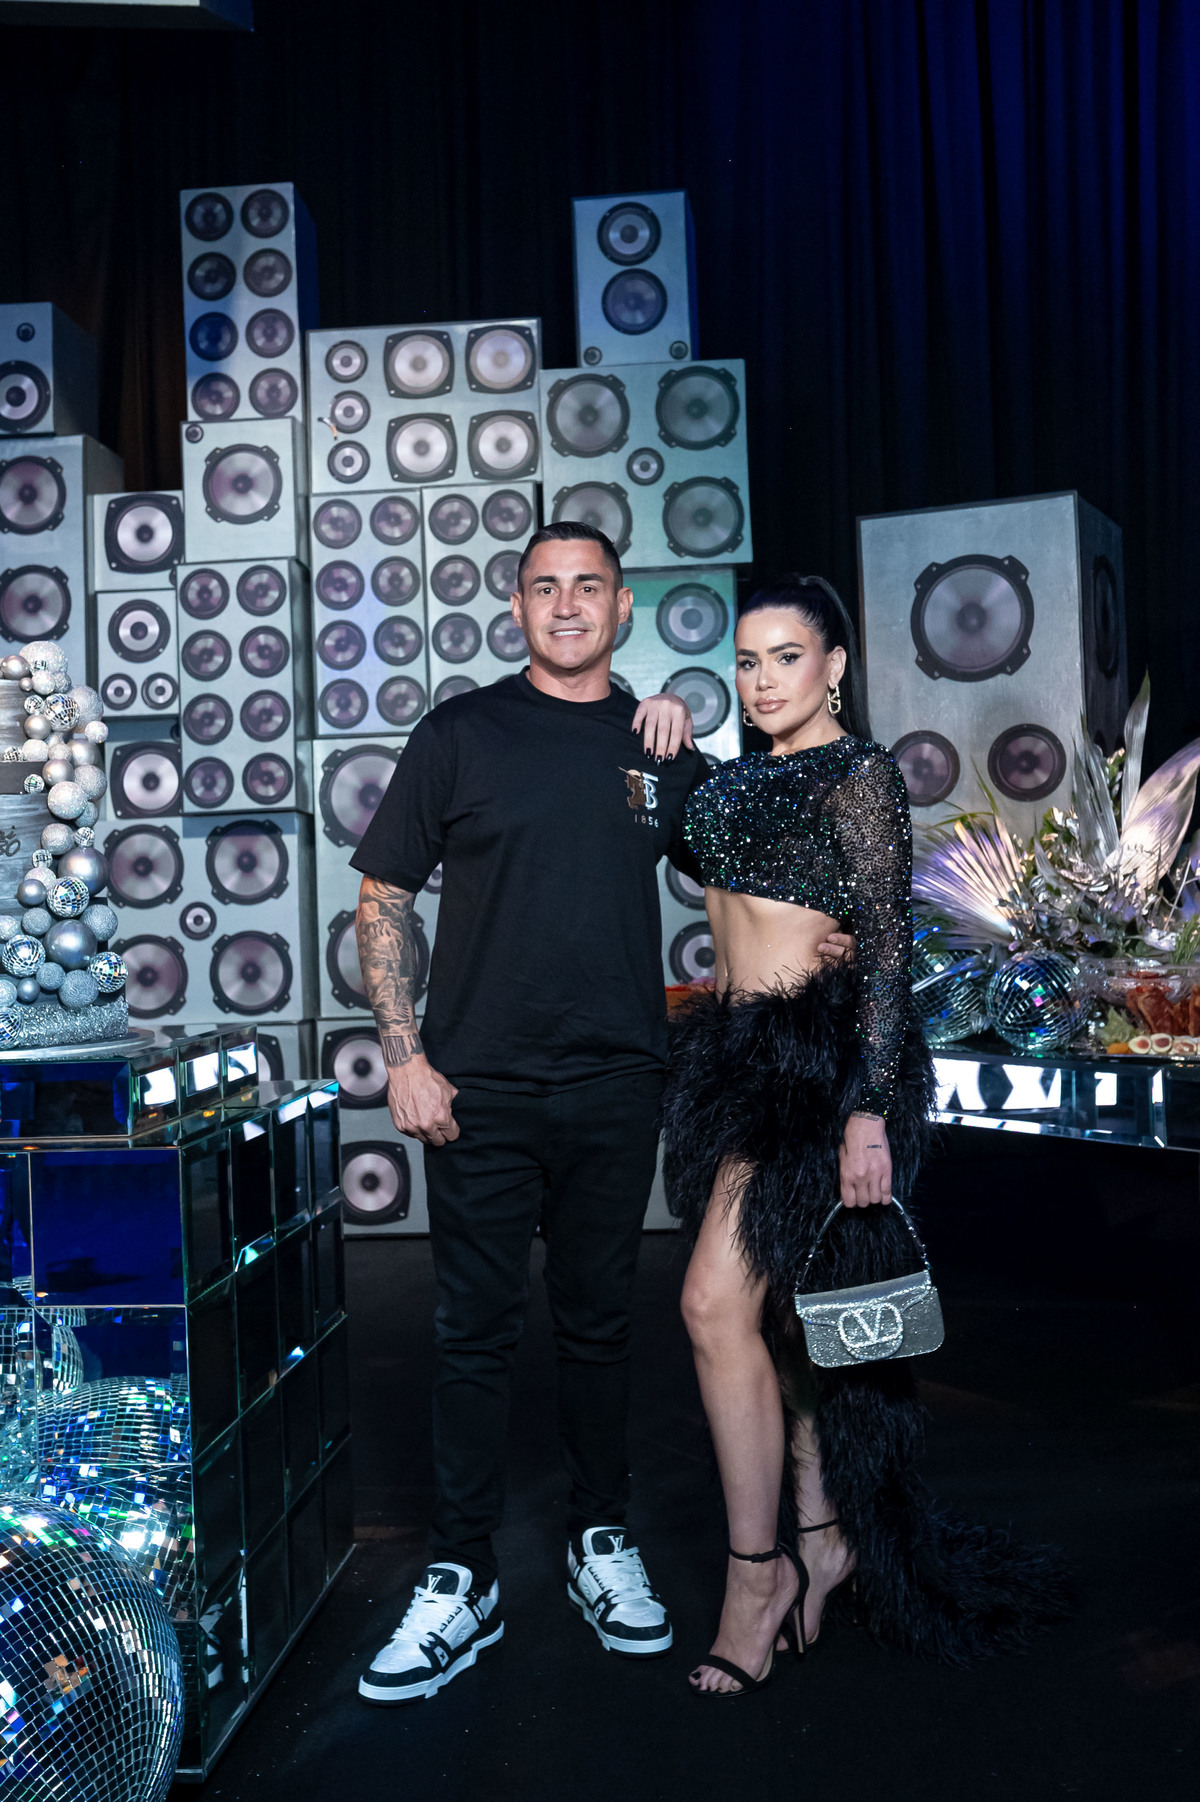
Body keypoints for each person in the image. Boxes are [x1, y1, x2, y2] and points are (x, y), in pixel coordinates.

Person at [348, 526, 854, 1704]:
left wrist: (835, 938)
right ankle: (461, 1573)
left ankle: (598, 1535)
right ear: (516, 605)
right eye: (545, 587)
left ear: (623, 609)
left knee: (598, 1327)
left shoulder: (660, 747)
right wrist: (405, 1055)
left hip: (621, 1082)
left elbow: (762, 860)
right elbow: (384, 894)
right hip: (476, 1086)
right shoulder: (460, 732)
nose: (567, 604)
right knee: (472, 1333)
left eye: (589, 587)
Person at [664, 575, 1071, 1697]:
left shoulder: (860, 775)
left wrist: (867, 1107)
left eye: (786, 657)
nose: (762, 681)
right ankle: (824, 1536)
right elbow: (666, 815)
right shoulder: (731, 780)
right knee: (781, 1320)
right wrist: (658, 725)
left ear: (835, 664)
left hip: (816, 1070)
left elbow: (885, 947)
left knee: (712, 1304)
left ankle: (757, 1580)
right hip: (738, 1065)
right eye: (747, 661)